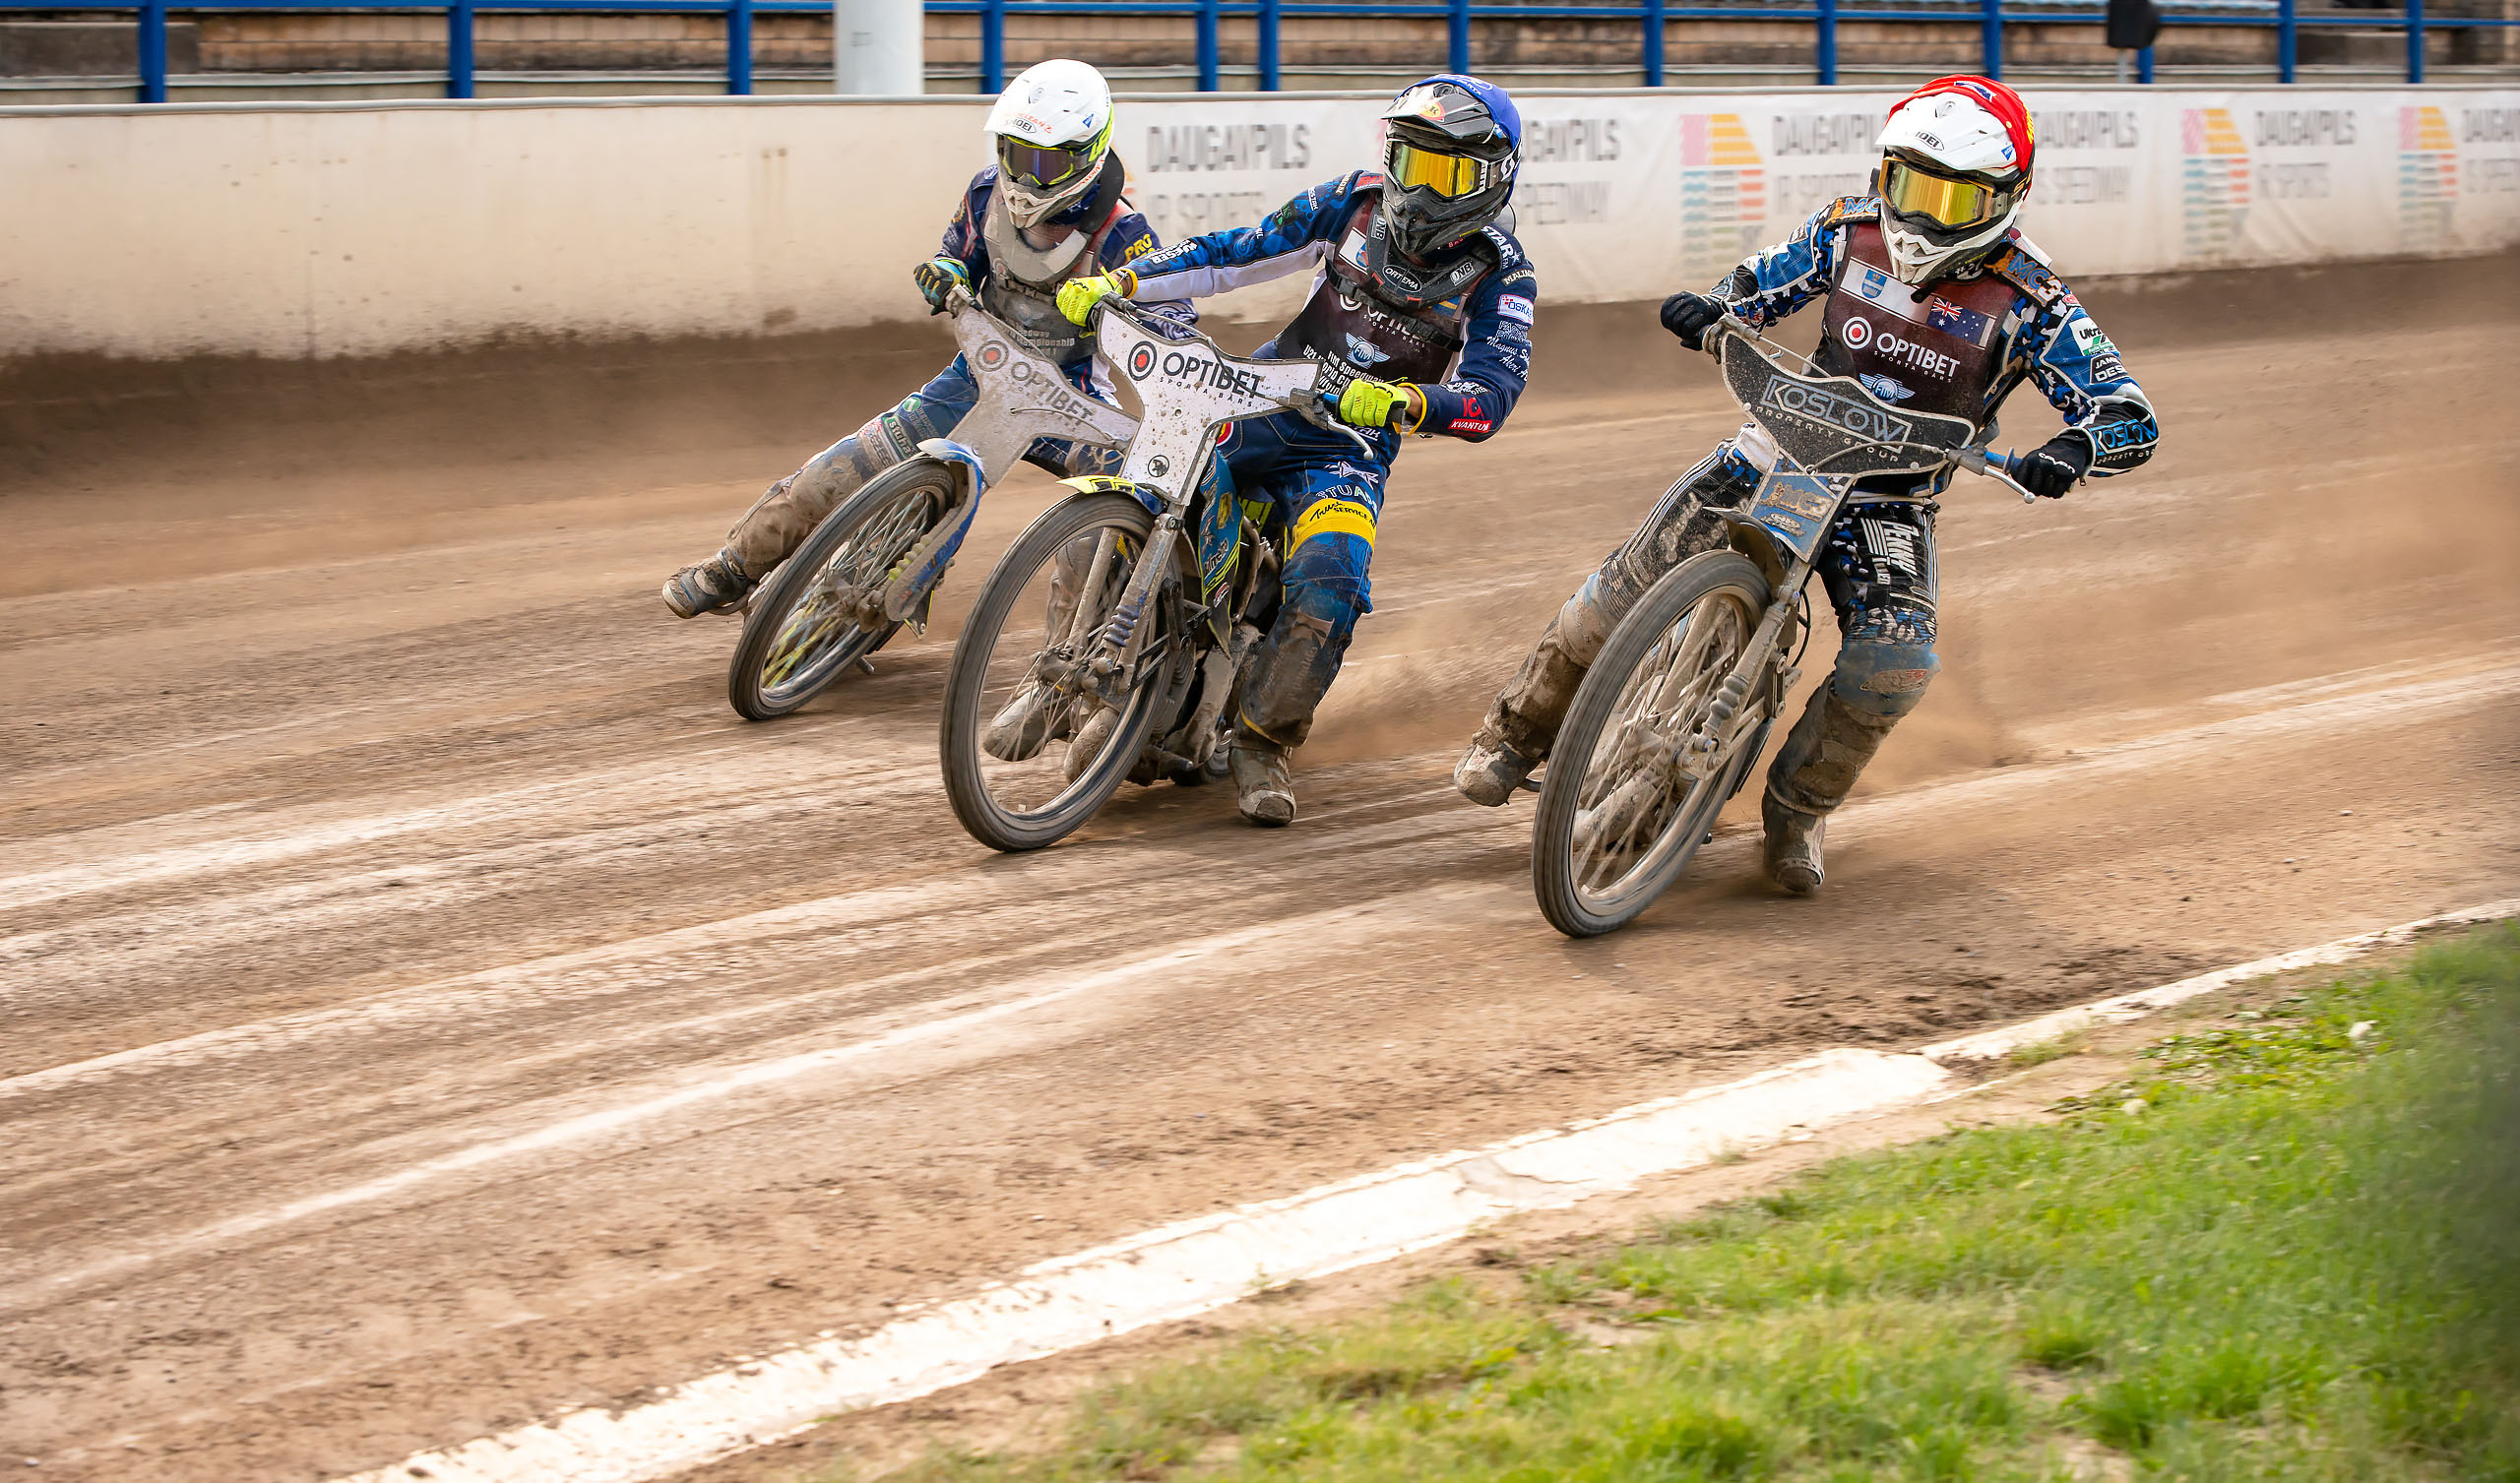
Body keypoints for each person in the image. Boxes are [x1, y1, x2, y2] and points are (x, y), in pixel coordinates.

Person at [1454, 76, 2162, 896]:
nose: (1922, 215)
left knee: (1894, 659)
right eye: (1909, 185)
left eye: (1952, 197)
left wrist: (2076, 448)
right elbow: (1760, 281)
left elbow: (2129, 413)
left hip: (1891, 499)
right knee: (1622, 587)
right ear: (1883, 174)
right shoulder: (1849, 229)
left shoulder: (2035, 300)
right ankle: (1515, 732)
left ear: (2009, 197)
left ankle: (1798, 807)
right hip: (1781, 445)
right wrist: (1716, 307)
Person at [1055, 74, 1539, 828]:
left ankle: (1262, 741)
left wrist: (1407, 402)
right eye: (1409, 160)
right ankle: (1068, 662)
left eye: (1443, 171)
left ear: (1491, 176)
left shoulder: (1501, 269)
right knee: (1143, 478)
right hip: (1262, 395)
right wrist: (1126, 280)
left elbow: (1491, 397)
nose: (1418, 186)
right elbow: (1237, 253)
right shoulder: (1353, 201)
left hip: (1350, 445)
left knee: (1332, 577)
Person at [661, 59, 1191, 619]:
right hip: (977, 378)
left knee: (1108, 520)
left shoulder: (1126, 235)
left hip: (1072, 402)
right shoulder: (986, 194)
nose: (1027, 177)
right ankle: (733, 566)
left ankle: (1072, 663)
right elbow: (955, 258)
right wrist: (947, 275)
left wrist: (1140, 322)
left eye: (1046, 161)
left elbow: (1174, 317)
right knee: (834, 474)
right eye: (1016, 154)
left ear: (1089, 153)